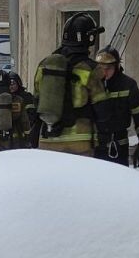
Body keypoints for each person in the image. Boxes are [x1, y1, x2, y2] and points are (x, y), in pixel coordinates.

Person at [34, 13, 110, 157]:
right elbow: (102, 108)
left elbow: (37, 99)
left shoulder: (44, 65)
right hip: (80, 144)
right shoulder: (90, 69)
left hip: (48, 141)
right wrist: (104, 138)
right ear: (90, 38)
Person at [94, 46, 139, 166]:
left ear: (116, 67)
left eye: (109, 68)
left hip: (119, 145)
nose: (104, 72)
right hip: (96, 146)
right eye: (101, 68)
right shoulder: (92, 85)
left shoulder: (128, 85)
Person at [9, 72, 38, 148]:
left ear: (18, 83)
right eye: (9, 84)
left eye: (13, 84)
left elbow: (32, 114)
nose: (11, 86)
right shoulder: (4, 98)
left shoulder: (26, 97)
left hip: (23, 132)